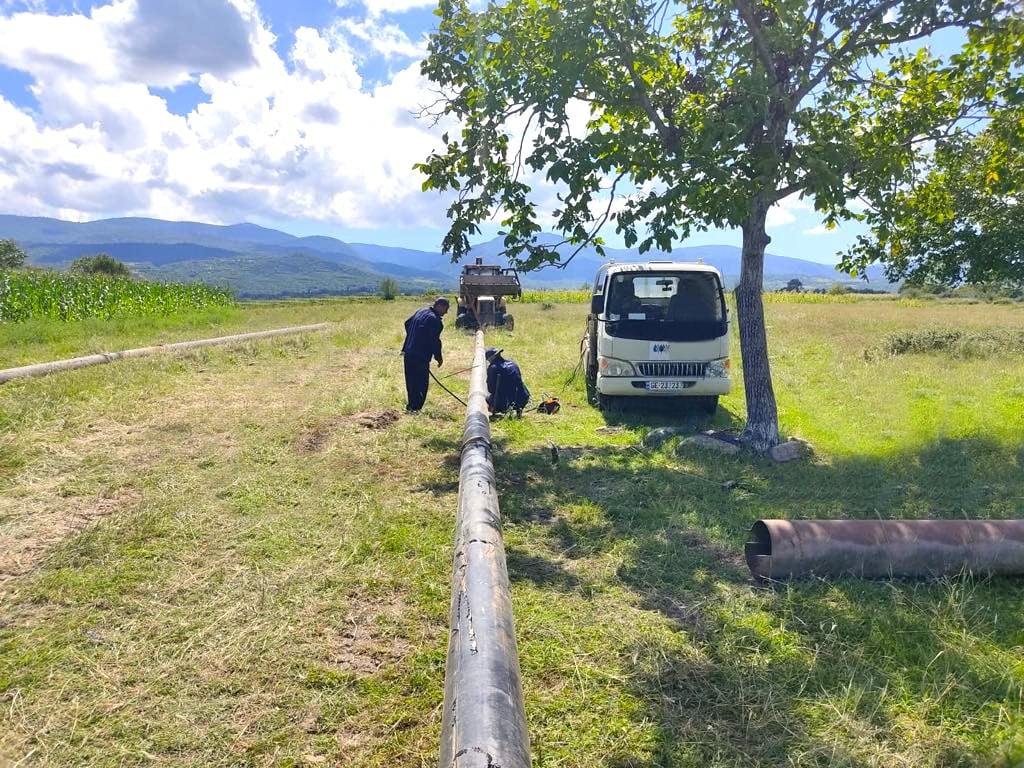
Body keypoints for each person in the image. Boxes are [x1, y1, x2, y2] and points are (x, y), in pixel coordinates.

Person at [401, 297, 449, 411]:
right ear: (440, 306)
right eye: (446, 309)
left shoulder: (421, 311)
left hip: (408, 352)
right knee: (421, 382)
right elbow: (435, 341)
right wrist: (439, 358)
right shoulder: (435, 320)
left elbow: (407, 323)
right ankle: (416, 408)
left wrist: (413, 337)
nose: (446, 312)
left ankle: (411, 405)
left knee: (411, 380)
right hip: (420, 356)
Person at [485, 347, 530, 417]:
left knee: (487, 398)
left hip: (506, 402)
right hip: (523, 399)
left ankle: (500, 409)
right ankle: (517, 410)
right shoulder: (513, 364)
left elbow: (491, 389)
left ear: (490, 359)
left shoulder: (493, 368)